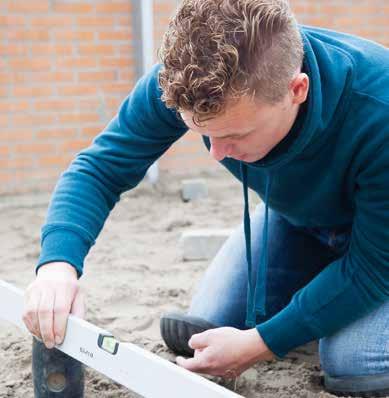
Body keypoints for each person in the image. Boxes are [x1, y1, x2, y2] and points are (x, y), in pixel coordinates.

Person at [23, 0, 389, 396]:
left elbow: (373, 268)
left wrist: (262, 343)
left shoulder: (378, 108)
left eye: (235, 136)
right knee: (205, 326)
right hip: (301, 220)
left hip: (379, 243)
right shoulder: (185, 79)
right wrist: (58, 266)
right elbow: (99, 169)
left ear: (296, 90)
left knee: (355, 365)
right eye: (204, 134)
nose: (216, 153)